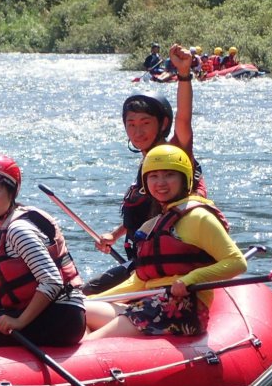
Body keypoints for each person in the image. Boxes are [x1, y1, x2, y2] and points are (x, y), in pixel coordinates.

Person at [84, 145, 246, 339]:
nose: (161, 183)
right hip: (148, 304)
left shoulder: (199, 217)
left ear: (184, 179)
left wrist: (190, 279)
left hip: (183, 308)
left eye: (169, 175)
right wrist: (93, 298)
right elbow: (139, 281)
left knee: (91, 343)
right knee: (80, 309)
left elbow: (236, 262)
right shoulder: (152, 225)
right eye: (153, 176)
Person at [85, 43, 205, 295]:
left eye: (145, 123)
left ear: (163, 124)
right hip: (141, 262)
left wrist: (184, 74)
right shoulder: (146, 166)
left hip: (169, 270)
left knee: (89, 294)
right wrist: (115, 235)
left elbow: (184, 119)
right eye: (131, 124)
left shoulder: (175, 154)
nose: (137, 131)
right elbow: (144, 213)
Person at [0, 154, 87, 349]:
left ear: (12, 192)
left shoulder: (19, 231)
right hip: (44, 313)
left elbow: (52, 281)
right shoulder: (0, 234)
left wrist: (19, 322)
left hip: (61, 317)